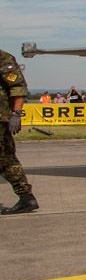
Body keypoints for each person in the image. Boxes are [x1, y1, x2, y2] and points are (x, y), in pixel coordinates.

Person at [1, 49, 38, 215]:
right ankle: (26, 197)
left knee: (5, 159)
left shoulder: (3, 57)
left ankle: (26, 197)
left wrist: (16, 114)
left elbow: (17, 87)